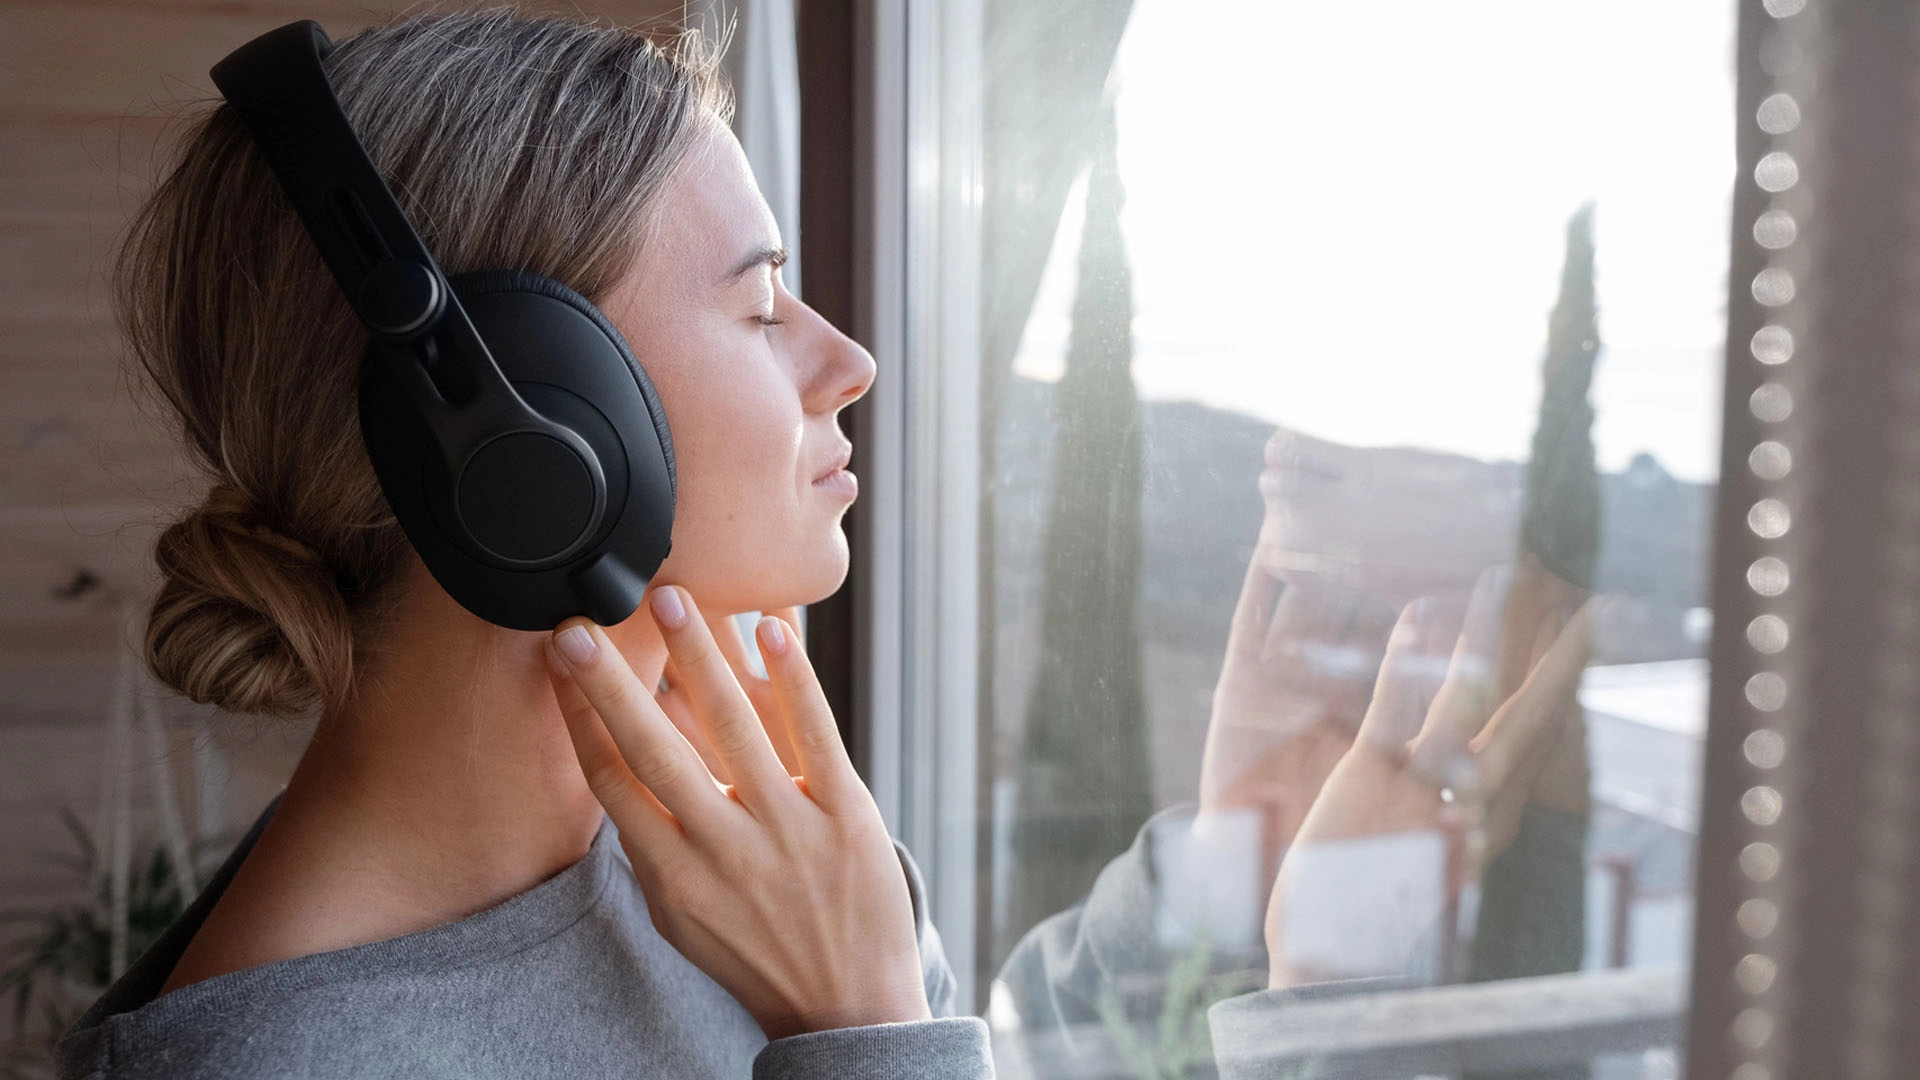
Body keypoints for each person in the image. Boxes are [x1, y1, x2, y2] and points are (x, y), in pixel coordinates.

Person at [56, 10, 1598, 1078]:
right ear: (520, 440)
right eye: (762, 300)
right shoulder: (293, 1066)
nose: (847, 358)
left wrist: (1241, 889)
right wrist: (863, 1023)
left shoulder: (729, 859)